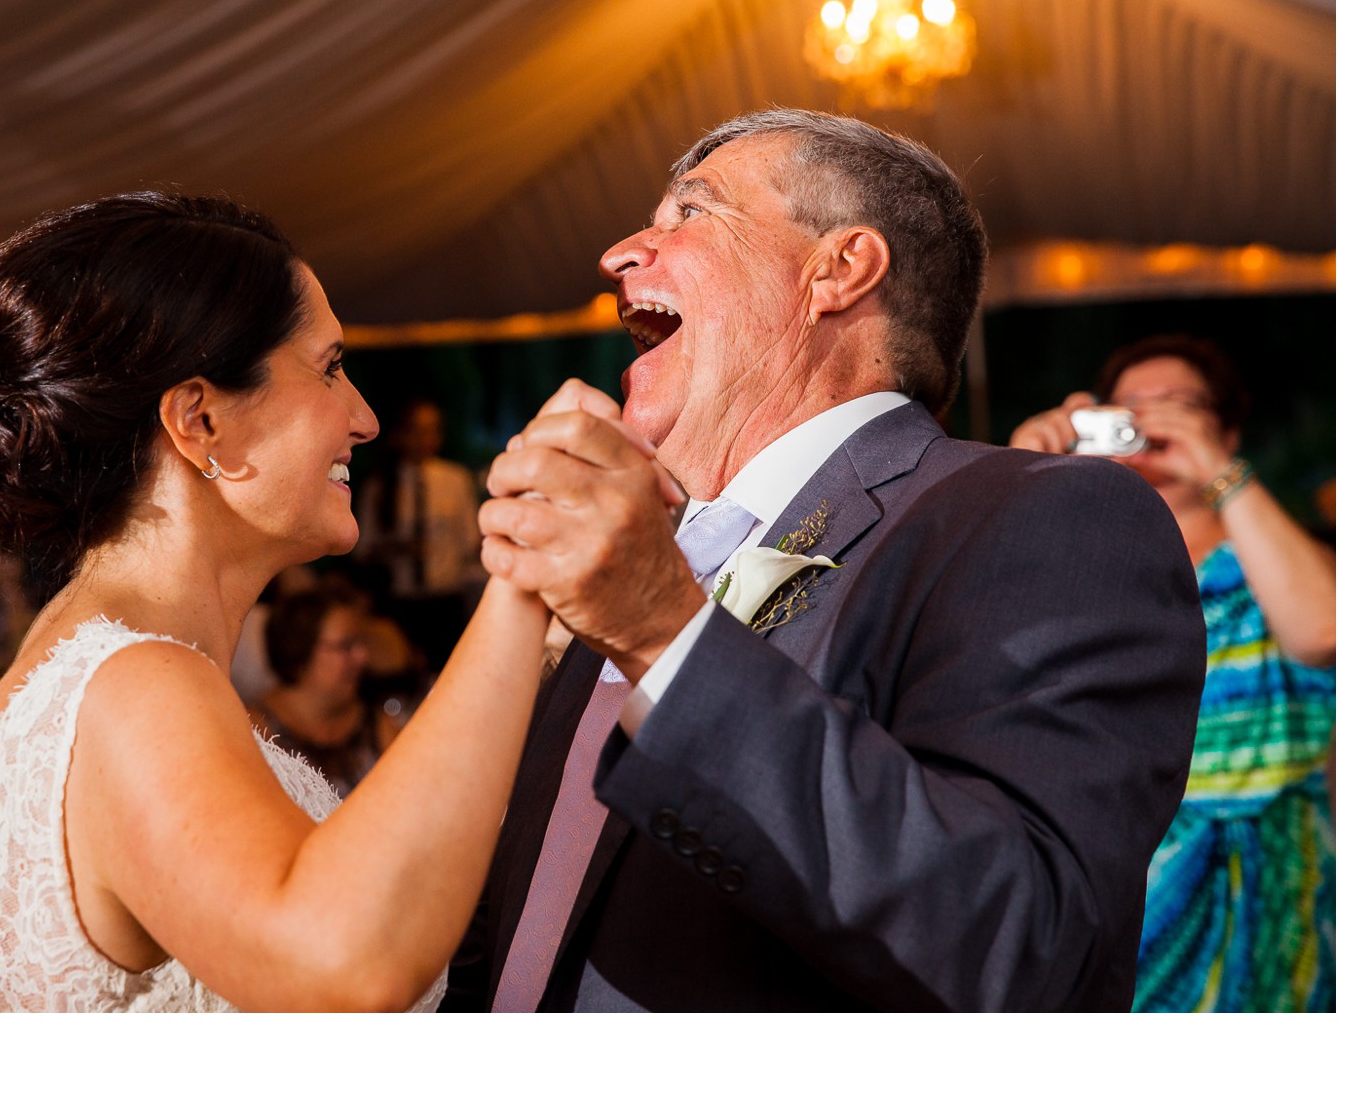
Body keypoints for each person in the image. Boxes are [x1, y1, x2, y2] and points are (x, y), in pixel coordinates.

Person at [445, 108, 1208, 1011]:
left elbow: (1023, 944)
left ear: (839, 269)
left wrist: (661, 632)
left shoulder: (1047, 518)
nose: (620, 252)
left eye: (691, 211)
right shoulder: (636, 555)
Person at [0, 193, 550, 1012]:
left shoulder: (97, 654)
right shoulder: (135, 685)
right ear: (201, 419)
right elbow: (338, 965)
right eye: (328, 368)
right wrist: (527, 578)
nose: (364, 418)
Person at [1009, 335, 1335, 1011]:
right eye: (1129, 408)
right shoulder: (1084, 559)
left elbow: (1325, 631)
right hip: (1121, 872)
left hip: (1275, 878)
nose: (1152, 421)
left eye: (1178, 406)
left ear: (1228, 426)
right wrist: (1024, 478)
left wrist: (1221, 470)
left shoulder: (1266, 549)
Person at [353, 398, 484, 667]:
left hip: (445, 601)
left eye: (433, 429)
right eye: (417, 430)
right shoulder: (381, 486)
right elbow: (362, 549)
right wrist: (397, 548)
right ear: (400, 434)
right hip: (399, 603)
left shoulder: (455, 479)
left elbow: (470, 542)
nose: (425, 438)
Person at [249, 586, 396, 796]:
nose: (363, 657)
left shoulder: (376, 726)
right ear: (300, 649)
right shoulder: (254, 731)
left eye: (360, 643)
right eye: (346, 645)